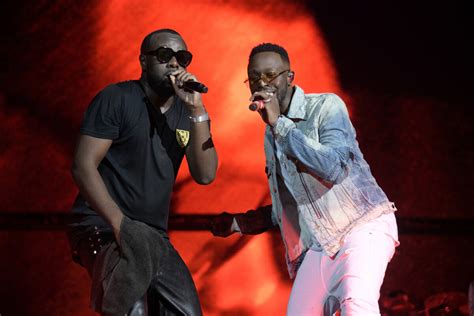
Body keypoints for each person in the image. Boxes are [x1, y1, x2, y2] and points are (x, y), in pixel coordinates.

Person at [211, 43, 399, 315]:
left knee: (356, 303)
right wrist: (239, 223)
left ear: (290, 77)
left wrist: (280, 125)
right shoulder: (271, 136)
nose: (262, 83)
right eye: (254, 77)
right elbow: (289, 205)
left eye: (270, 75)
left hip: (362, 227)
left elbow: (334, 167)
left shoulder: (326, 106)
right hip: (321, 243)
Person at [67, 28, 217, 316]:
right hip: (102, 225)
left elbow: (206, 174)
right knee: (131, 306)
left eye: (182, 58)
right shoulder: (117, 98)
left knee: (186, 312)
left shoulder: (187, 114)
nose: (174, 63)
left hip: (152, 236)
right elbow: (82, 165)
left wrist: (198, 110)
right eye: (164, 55)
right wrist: (119, 223)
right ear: (143, 61)